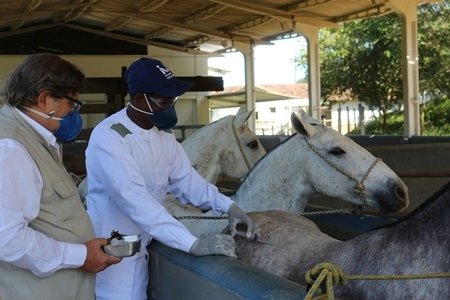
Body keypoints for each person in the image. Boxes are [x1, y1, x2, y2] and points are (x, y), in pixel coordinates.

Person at [85, 56, 260, 300]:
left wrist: (229, 206)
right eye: (164, 100)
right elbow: (135, 199)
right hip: (112, 251)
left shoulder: (164, 138)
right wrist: (192, 243)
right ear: (138, 99)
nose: (170, 105)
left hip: (141, 244)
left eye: (172, 99)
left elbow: (189, 182)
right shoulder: (109, 138)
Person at [0, 53, 122, 300]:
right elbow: (8, 239)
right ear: (44, 100)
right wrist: (81, 255)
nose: (73, 112)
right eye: (71, 103)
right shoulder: (12, 147)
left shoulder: (33, 136)